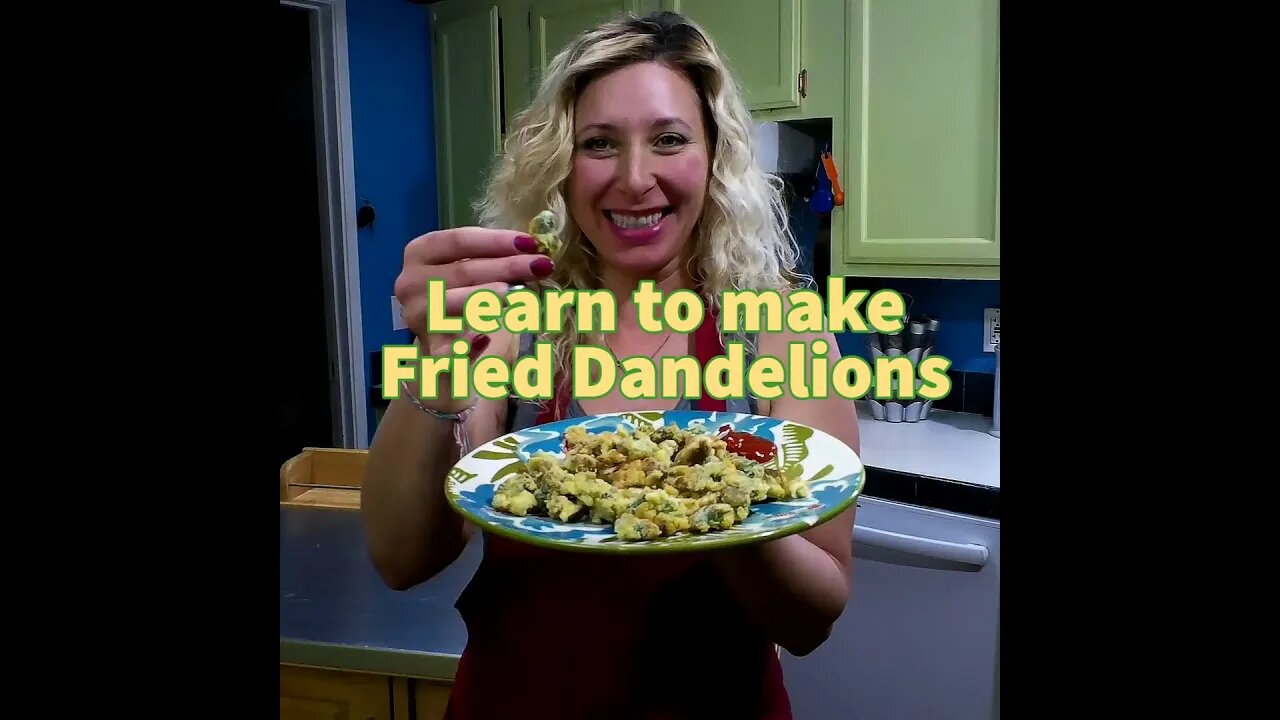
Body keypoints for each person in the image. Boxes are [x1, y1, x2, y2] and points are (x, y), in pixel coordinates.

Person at [362, 10, 860, 720]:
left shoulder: (779, 333)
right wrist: (437, 363)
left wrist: (711, 504)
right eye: (599, 143)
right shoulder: (517, 321)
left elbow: (812, 620)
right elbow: (399, 557)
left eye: (668, 139)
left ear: (715, 155)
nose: (634, 179)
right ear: (561, 163)